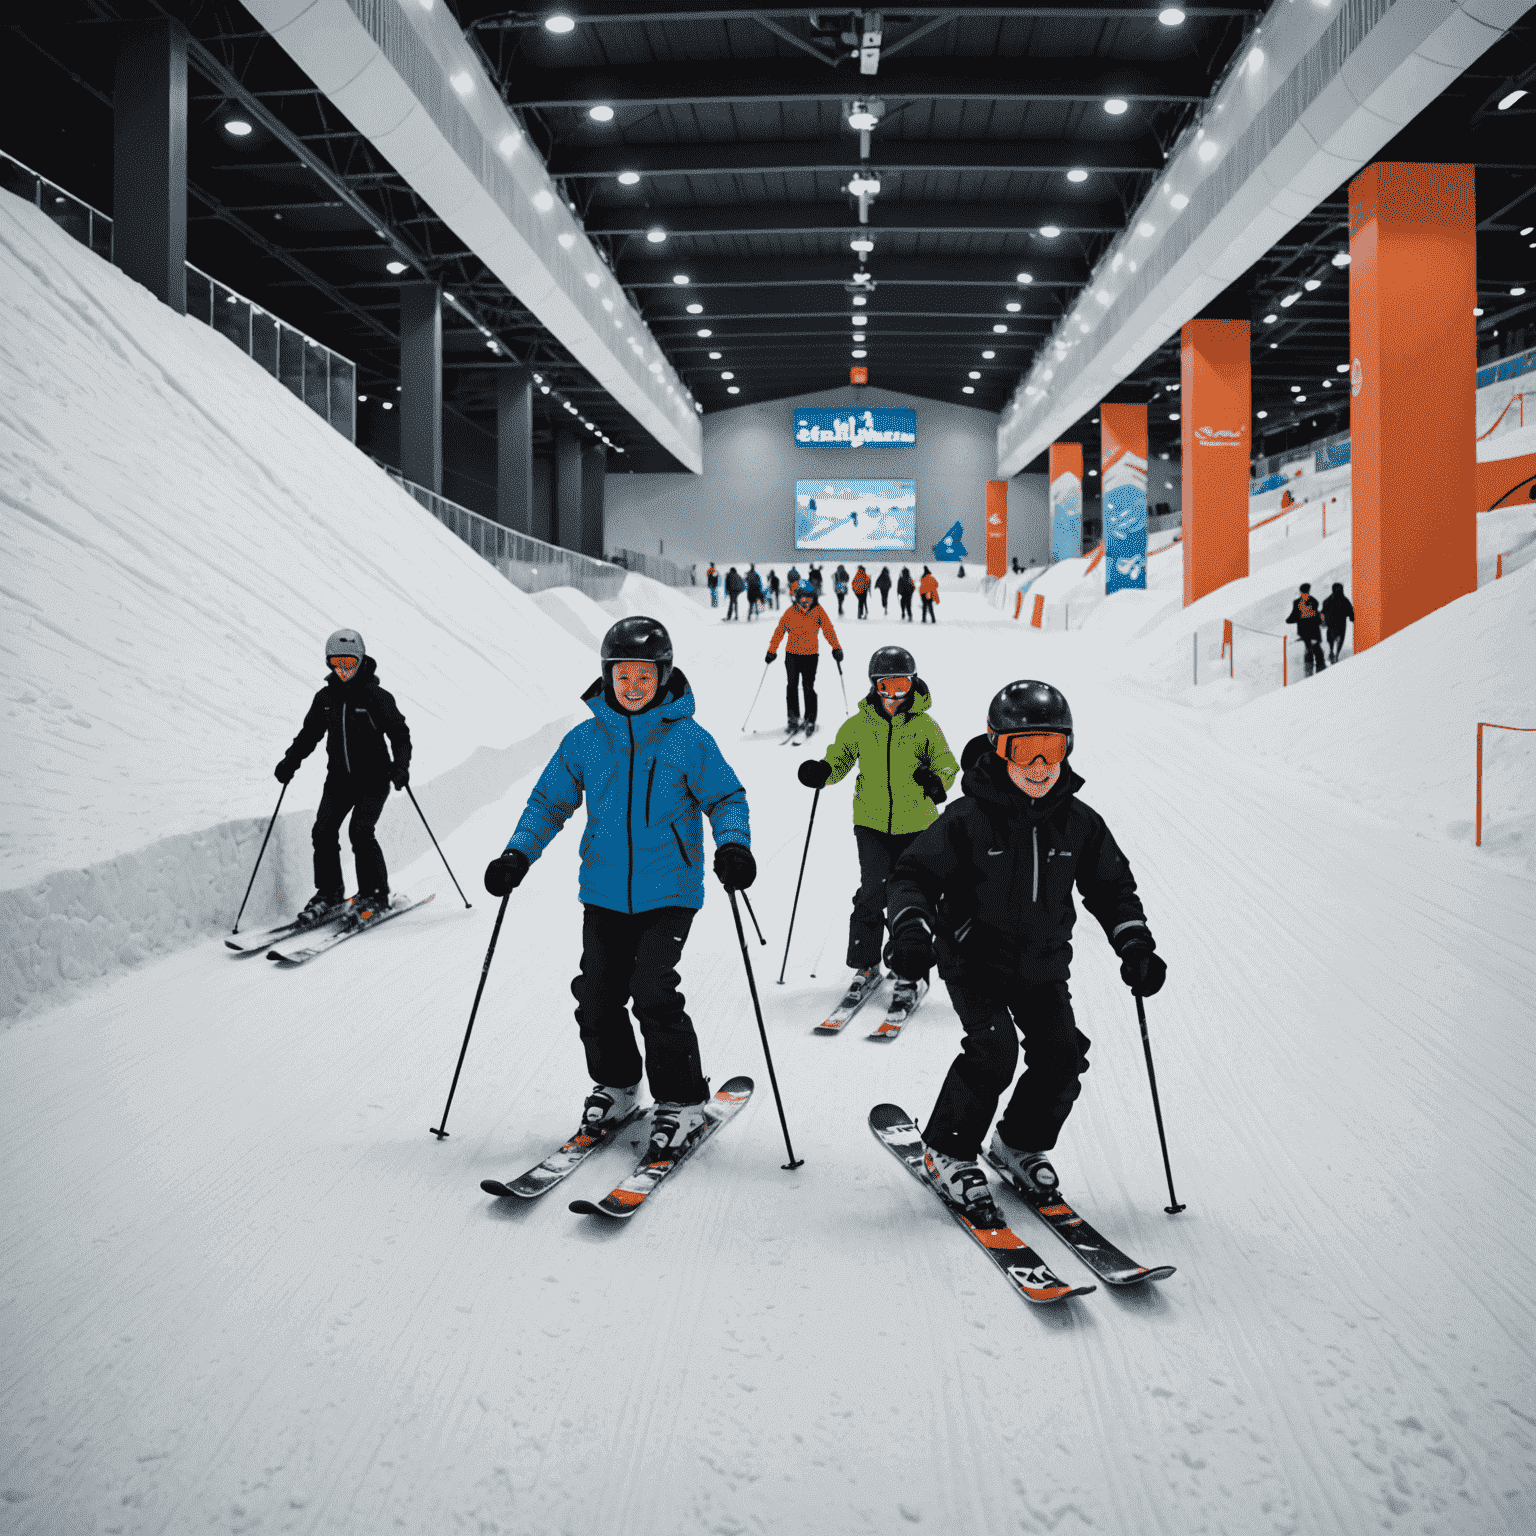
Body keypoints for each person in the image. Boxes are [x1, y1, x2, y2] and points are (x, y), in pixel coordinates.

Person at [883, 681, 1165, 1227]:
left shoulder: (1080, 823)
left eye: (1052, 749)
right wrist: (912, 929)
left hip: (1041, 966)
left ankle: (1016, 1142)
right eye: (1023, 749)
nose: (1038, 765)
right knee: (993, 1052)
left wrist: (1135, 944)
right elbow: (913, 875)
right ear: (997, 747)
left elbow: (1111, 888)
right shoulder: (966, 818)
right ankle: (946, 1151)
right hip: (974, 961)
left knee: (1062, 1055)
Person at [483, 618, 755, 1165]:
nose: (633, 684)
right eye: (622, 674)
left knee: (653, 990)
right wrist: (517, 853)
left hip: (670, 889)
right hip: (604, 891)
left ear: (664, 675)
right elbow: (547, 803)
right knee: (597, 994)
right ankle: (619, 1085)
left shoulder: (689, 740)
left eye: (645, 674)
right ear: (607, 676)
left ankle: (681, 1100)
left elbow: (726, 798)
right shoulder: (586, 739)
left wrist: (733, 845)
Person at [797, 645, 958, 1017]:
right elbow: (839, 758)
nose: (893, 696)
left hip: (917, 826)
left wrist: (937, 781)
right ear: (875, 687)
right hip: (870, 823)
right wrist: (823, 771)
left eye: (901, 686)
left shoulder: (925, 727)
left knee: (911, 897)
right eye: (886, 686)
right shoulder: (858, 725)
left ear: (913, 685)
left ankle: (910, 971)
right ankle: (866, 965)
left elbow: (948, 764)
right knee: (872, 891)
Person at [274, 628, 412, 923]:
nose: (343, 670)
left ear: (361, 661)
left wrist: (401, 766)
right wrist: (290, 762)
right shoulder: (326, 698)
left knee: (360, 832)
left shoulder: (376, 697)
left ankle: (375, 894)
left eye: (349, 663)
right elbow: (308, 735)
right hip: (339, 781)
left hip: (374, 781)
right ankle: (330, 892)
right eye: (336, 663)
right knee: (322, 831)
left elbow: (400, 734)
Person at [765, 582, 843, 737]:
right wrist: (771, 651)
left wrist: (836, 647)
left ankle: (810, 718)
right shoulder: (790, 612)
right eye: (802, 597)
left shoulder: (819, 612)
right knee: (792, 686)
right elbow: (779, 631)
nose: (805, 600)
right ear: (797, 598)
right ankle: (793, 717)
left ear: (814, 598)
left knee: (808, 687)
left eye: (809, 597)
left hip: (810, 656)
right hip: (792, 656)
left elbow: (828, 630)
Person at [1286, 583, 1326, 676]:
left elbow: (1294, 616)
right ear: (1308, 590)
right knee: (1317, 649)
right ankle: (1322, 670)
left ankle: (1309, 673)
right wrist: (1321, 622)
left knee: (1308, 649)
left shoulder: (1297, 602)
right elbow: (1315, 616)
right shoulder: (1314, 601)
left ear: (1301, 591)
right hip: (1315, 631)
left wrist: (1289, 620)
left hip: (1304, 631)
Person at [1322, 581, 1354, 663]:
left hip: (1335, 624)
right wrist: (1351, 617)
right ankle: (1334, 654)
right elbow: (1350, 611)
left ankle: (1334, 654)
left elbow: (1323, 612)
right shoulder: (1344, 600)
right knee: (1336, 640)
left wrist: (1323, 621)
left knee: (1333, 640)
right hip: (1338, 624)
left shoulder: (1328, 600)